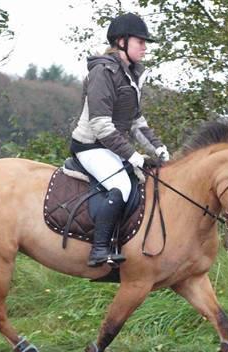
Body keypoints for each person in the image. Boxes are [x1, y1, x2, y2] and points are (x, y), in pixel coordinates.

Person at [70, 13, 170, 267]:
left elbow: (136, 121)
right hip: (91, 145)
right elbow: (101, 125)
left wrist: (158, 147)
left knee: (143, 182)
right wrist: (133, 155)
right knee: (122, 186)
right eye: (141, 42)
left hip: (109, 146)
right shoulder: (103, 72)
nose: (145, 48)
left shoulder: (131, 74)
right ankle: (99, 249)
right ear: (122, 41)